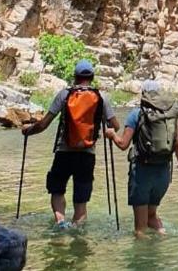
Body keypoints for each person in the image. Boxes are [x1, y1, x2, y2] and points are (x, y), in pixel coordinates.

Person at [22, 58, 119, 227]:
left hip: (64, 152)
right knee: (81, 201)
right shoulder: (101, 97)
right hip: (87, 154)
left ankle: (60, 223)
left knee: (57, 189)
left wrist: (28, 131)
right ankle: (77, 232)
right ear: (92, 77)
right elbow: (115, 125)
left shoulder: (65, 94)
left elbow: (44, 124)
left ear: (75, 76)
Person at [105, 80, 178, 238]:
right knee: (152, 216)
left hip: (142, 173)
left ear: (143, 94)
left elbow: (123, 144)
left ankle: (145, 259)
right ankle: (163, 238)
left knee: (140, 228)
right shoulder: (168, 115)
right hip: (163, 174)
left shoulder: (137, 114)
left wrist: (112, 135)